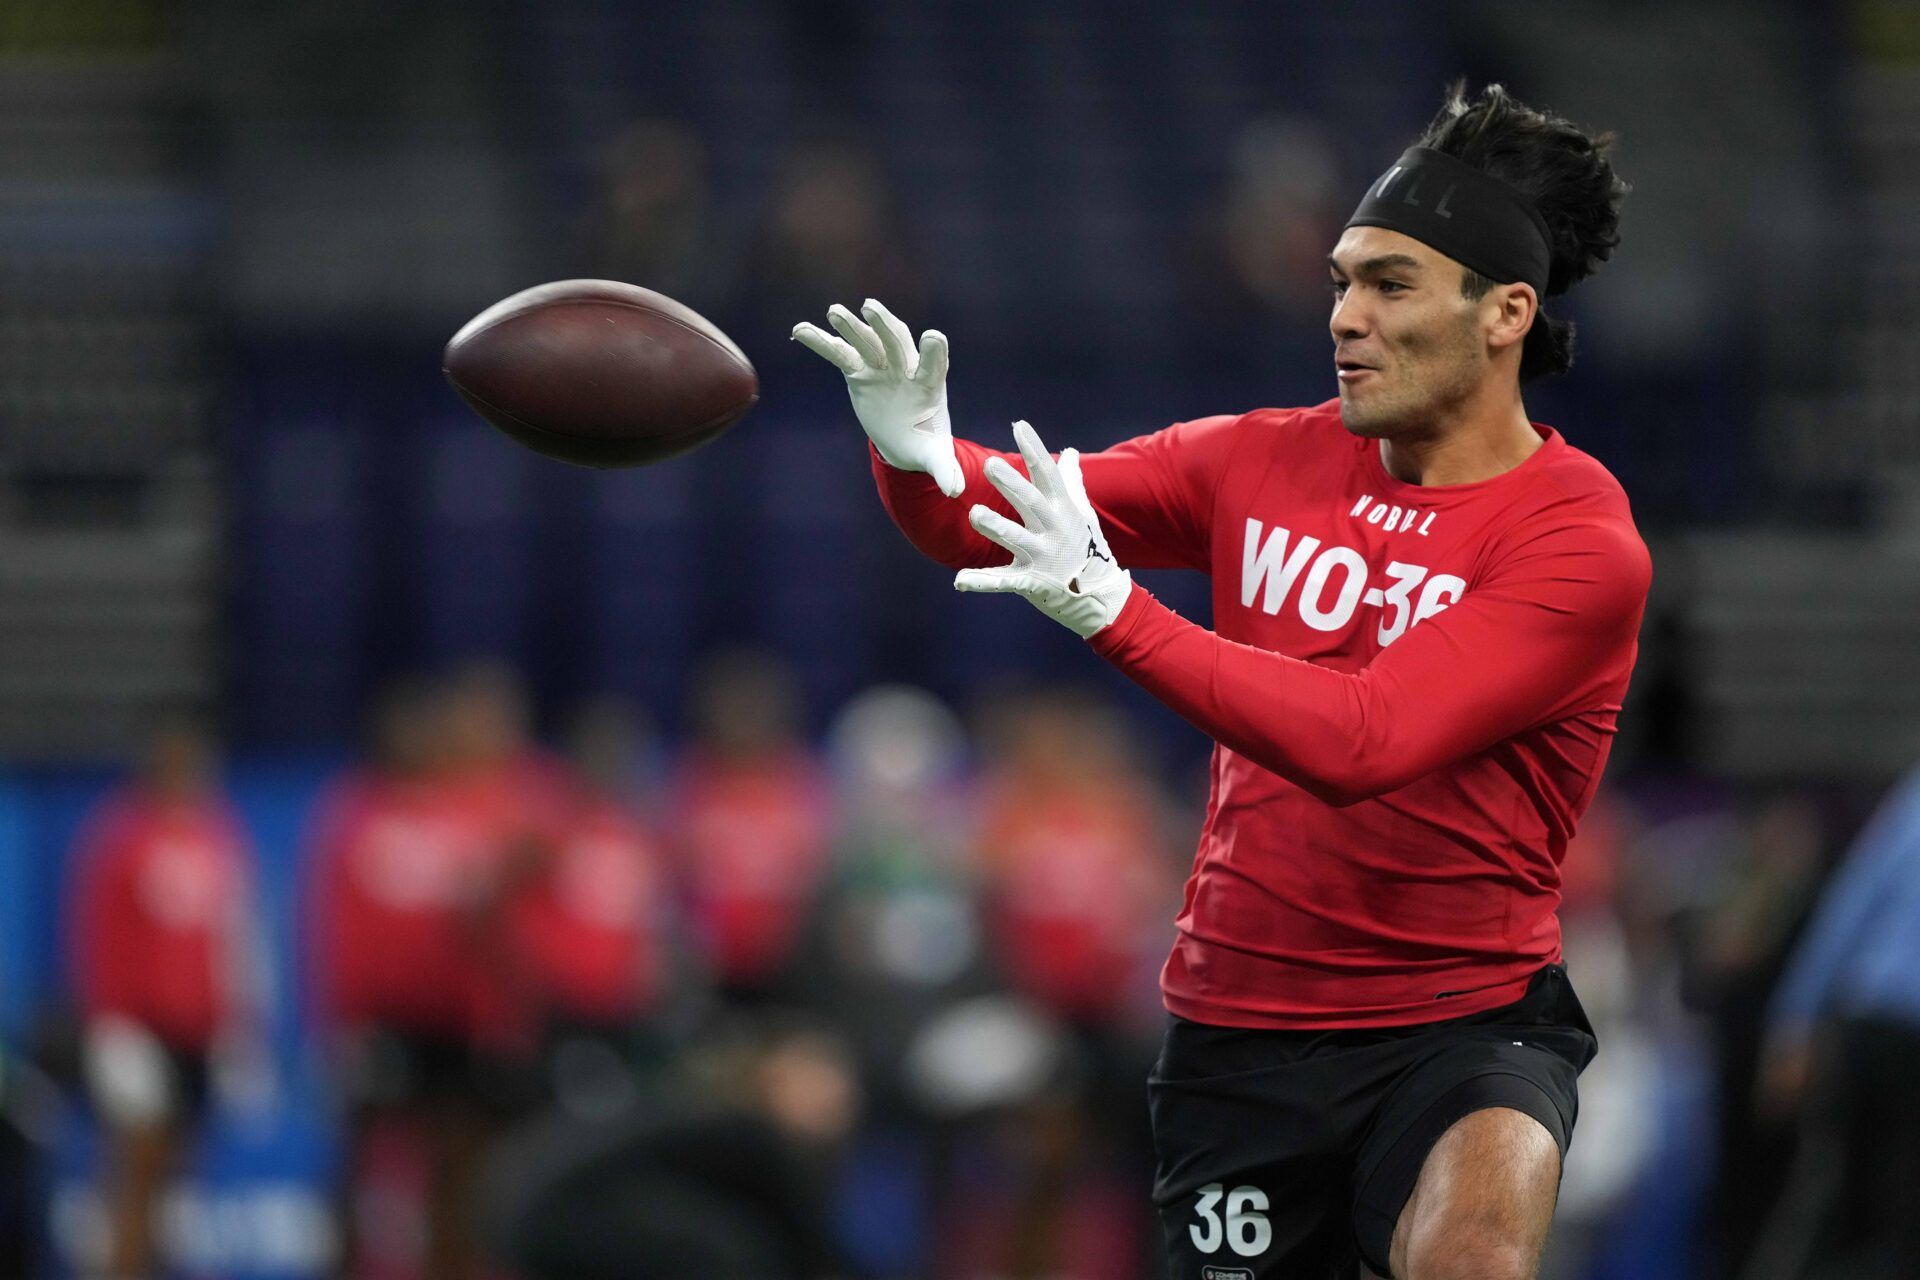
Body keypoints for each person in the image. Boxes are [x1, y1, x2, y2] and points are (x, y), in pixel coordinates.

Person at [796, 82, 1643, 1280]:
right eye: (1343, 279)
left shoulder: (1575, 540)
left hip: (1465, 1019)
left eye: (1391, 283)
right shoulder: (1263, 456)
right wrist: (916, 454)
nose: (1345, 315)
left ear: (1505, 311)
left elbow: (1366, 736)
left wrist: (1121, 615)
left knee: (1471, 1256)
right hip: (1240, 1030)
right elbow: (997, 519)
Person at [66, 715, 267, 1279]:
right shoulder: (121, 837)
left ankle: (162, 1268)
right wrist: (110, 1027)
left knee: (182, 1176)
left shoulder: (218, 835)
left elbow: (238, 939)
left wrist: (239, 1026)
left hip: (199, 1030)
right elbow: (98, 937)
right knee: (136, 1168)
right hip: (140, 1030)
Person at [1746, 769, 1920, 1280]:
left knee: (1840, 1206)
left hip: (1868, 1023)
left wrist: (1794, 1019)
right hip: (1888, 1033)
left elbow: (1850, 905)